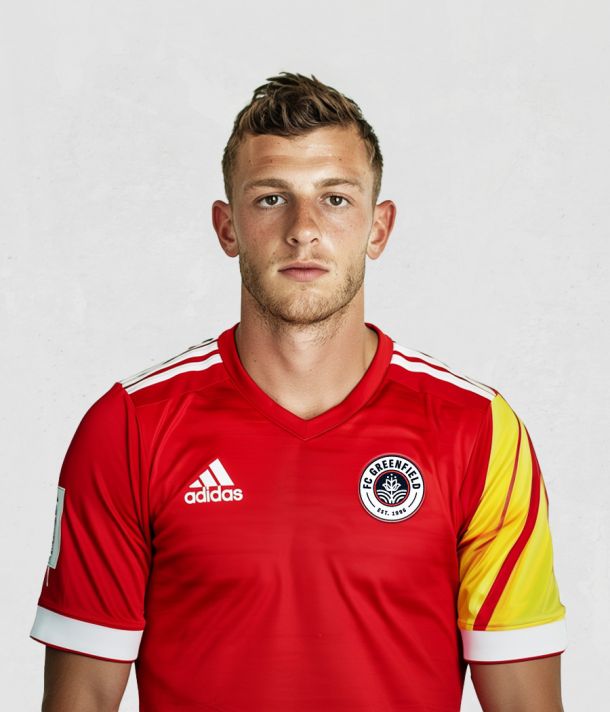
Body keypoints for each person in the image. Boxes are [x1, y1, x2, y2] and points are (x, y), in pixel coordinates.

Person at [30, 72, 567, 711]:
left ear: (378, 228)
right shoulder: (129, 428)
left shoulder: (479, 430)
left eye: (335, 198)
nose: (303, 228)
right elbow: (82, 700)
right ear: (227, 228)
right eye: (270, 198)